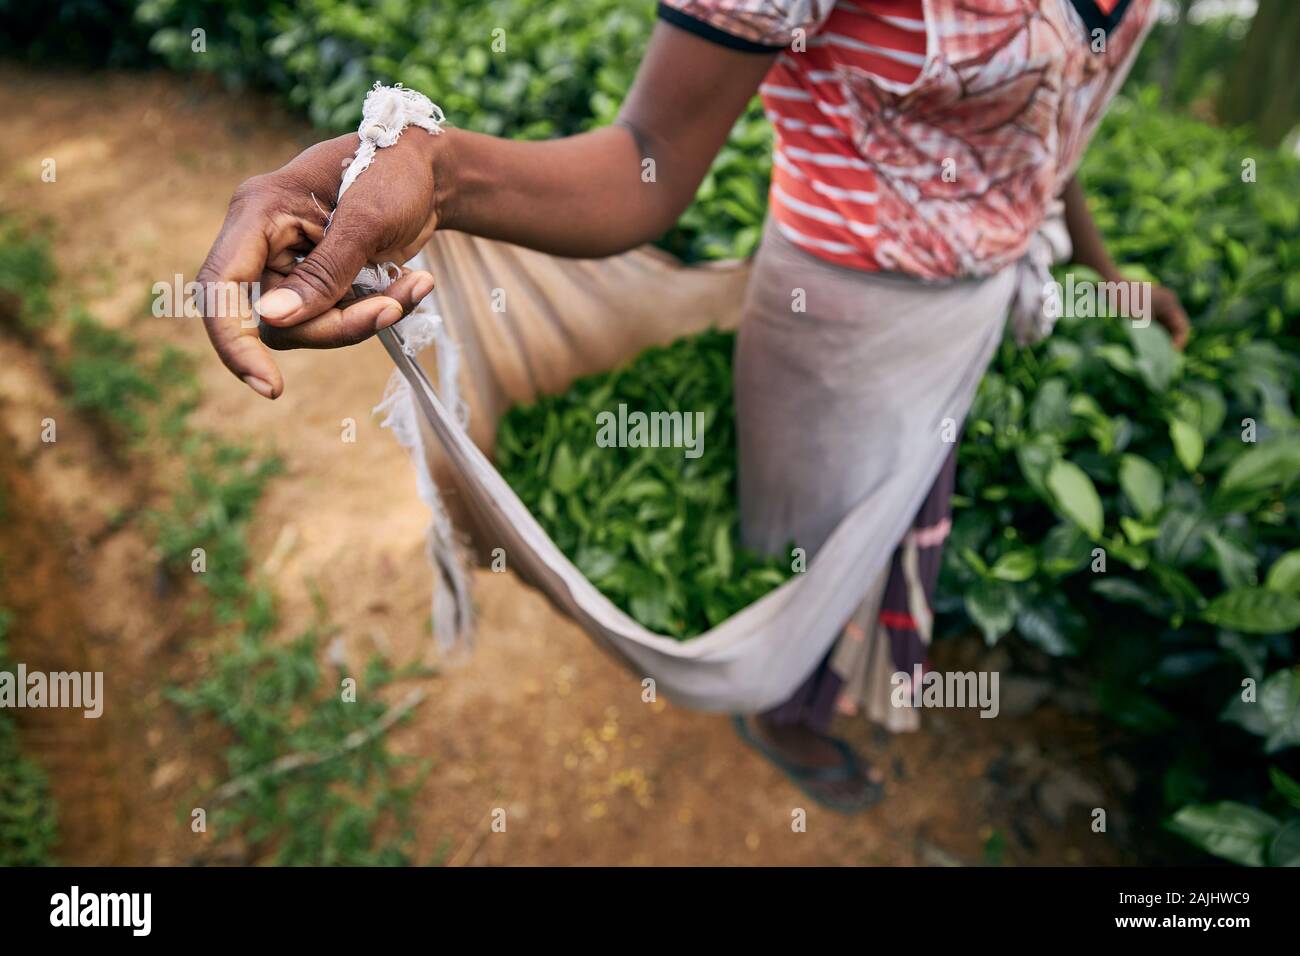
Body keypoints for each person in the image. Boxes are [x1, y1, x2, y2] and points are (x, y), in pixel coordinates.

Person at [197, 0, 1188, 813]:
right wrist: (435, 171)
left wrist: (1109, 278)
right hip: (834, 323)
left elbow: (1053, 126)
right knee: (801, 542)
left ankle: (815, 686)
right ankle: (784, 705)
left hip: (965, 324)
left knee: (895, 515)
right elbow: (648, 156)